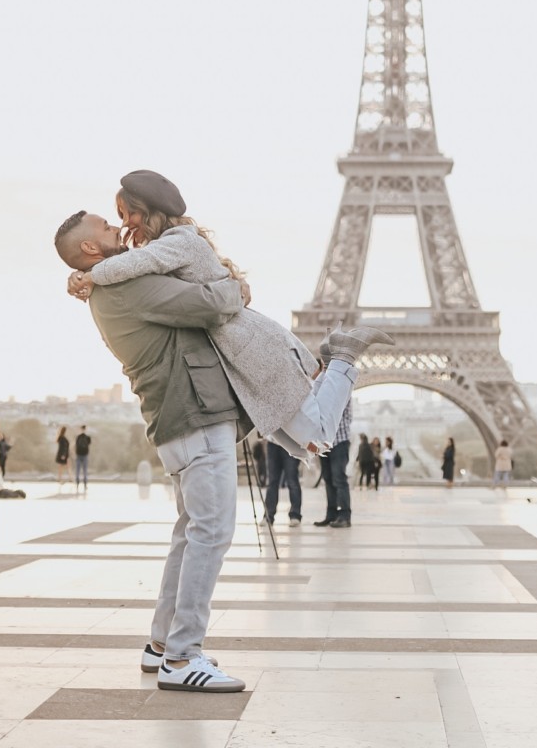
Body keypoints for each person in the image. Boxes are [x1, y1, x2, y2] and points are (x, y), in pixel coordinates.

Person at [54, 190, 388, 695]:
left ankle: (162, 645)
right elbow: (214, 304)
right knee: (209, 535)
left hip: (183, 420)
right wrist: (232, 283)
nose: (117, 228)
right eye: (106, 226)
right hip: (194, 418)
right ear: (92, 253)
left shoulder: (117, 282)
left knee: (190, 534)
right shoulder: (127, 289)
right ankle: (184, 657)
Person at [68, 171, 394, 460]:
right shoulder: (173, 243)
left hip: (253, 350)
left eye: (126, 215)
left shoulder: (175, 243)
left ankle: (343, 357)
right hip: (247, 350)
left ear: (147, 212)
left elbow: (134, 265)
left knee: (318, 431)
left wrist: (88, 275)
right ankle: (333, 358)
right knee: (302, 438)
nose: (124, 225)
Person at [315, 397, 352, 528]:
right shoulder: (322, 387)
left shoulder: (341, 384)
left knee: (339, 478)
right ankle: (331, 514)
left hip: (339, 440)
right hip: (323, 442)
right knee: (328, 479)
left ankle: (345, 515)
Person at [263, 441, 302, 527]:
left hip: (291, 441)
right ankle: (268, 516)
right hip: (273, 442)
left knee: (292, 481)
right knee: (272, 481)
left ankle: (295, 515)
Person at [75, 426, 91, 491]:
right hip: (85, 455)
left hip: (78, 455)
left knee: (78, 470)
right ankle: (85, 483)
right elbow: (89, 444)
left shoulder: (78, 437)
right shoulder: (88, 437)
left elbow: (76, 445)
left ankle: (77, 483)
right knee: (85, 470)